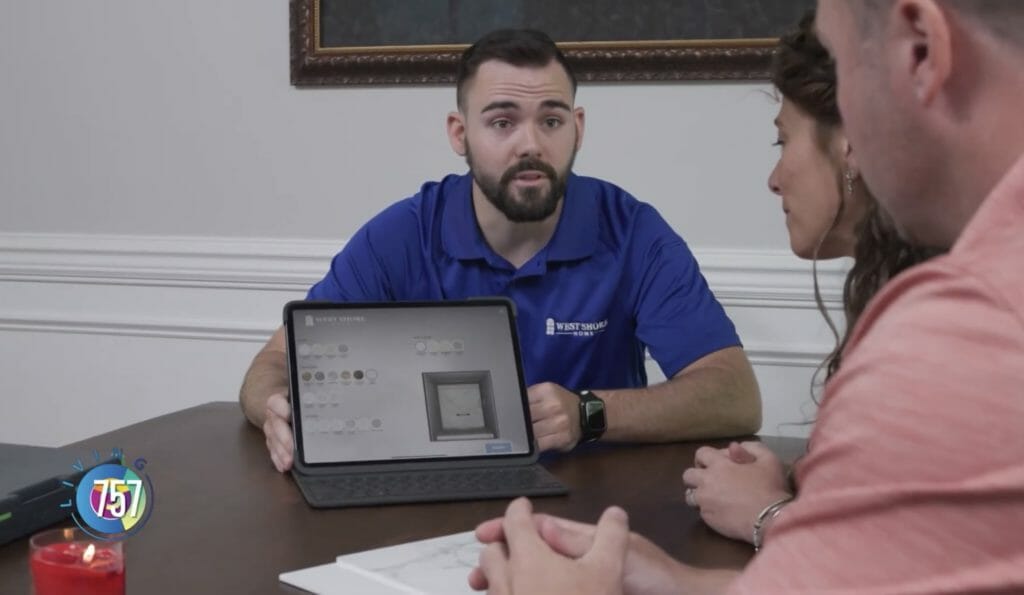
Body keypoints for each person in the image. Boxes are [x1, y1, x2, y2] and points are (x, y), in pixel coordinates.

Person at [470, 1, 1024, 592]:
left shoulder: (961, 339)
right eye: (502, 122)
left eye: (844, 75)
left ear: (919, 52)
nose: (774, 177)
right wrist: (670, 578)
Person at [239, 29, 762, 472]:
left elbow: (735, 396)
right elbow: (273, 364)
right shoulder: (400, 235)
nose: (530, 144)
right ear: (460, 133)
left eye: (551, 121)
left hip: (593, 501)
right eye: (502, 122)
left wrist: (589, 413)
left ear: (577, 129)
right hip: (434, 498)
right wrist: (276, 410)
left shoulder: (634, 232)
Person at [680, 8, 941, 546]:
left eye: (782, 141)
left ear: (851, 145)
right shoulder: (898, 292)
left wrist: (766, 513)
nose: (774, 180)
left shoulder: (933, 328)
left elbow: (905, 559)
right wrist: (803, 480)